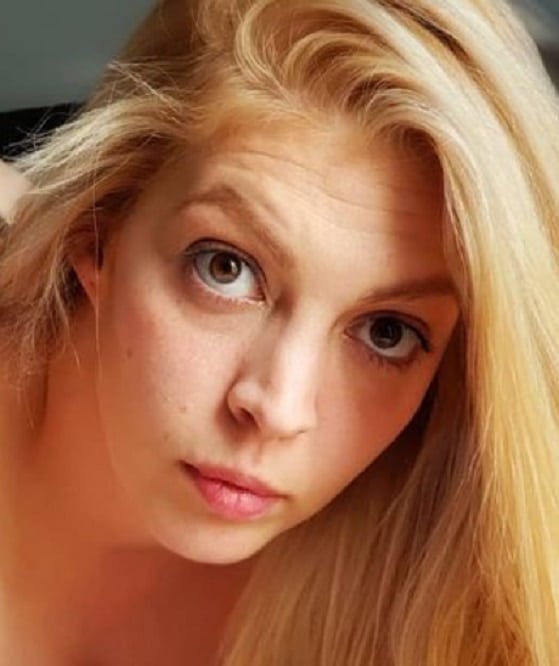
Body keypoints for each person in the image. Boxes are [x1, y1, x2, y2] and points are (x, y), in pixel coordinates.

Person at [1, 0, 558, 663]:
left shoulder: (440, 592)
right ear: (98, 230)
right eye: (225, 268)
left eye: (387, 332)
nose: (278, 410)